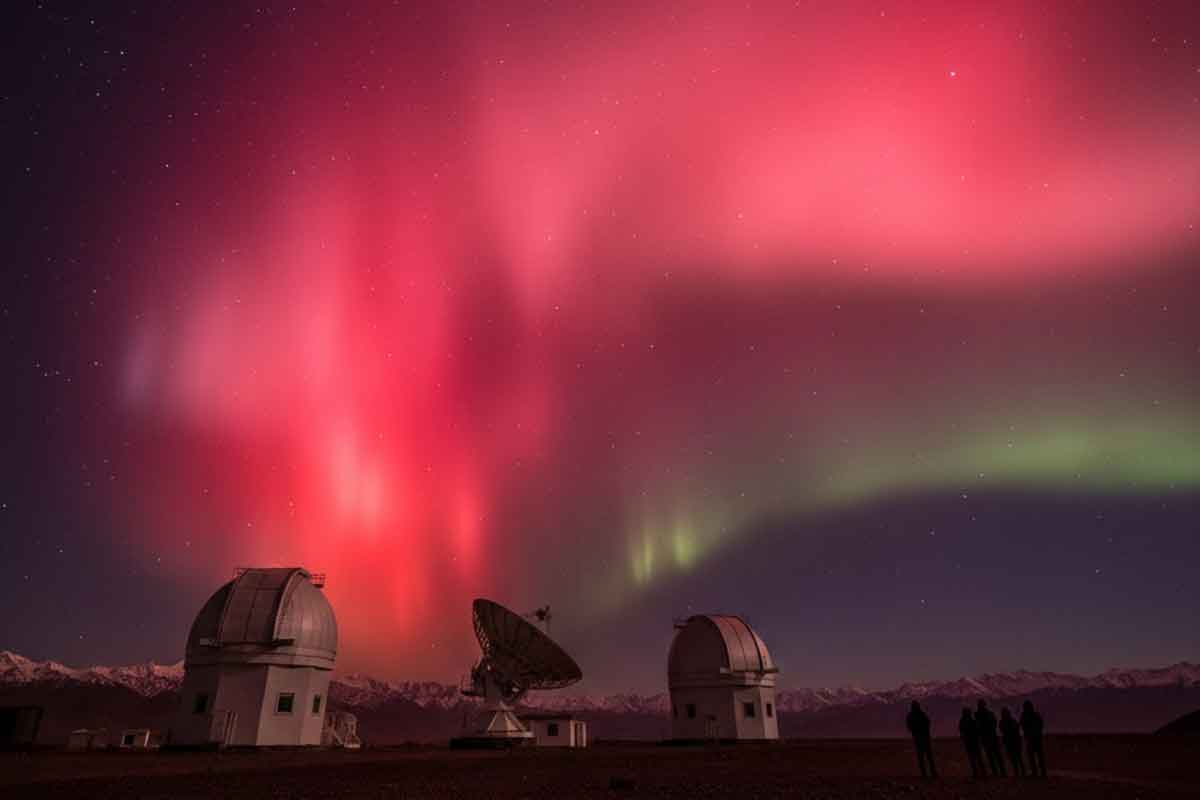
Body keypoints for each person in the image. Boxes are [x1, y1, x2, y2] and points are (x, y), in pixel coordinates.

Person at [905, 701, 937, 779]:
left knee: (922, 758)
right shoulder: (921, 714)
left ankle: (925, 774)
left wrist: (915, 731)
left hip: (918, 739)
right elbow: (928, 723)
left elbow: (909, 727)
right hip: (924, 738)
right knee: (928, 757)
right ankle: (932, 773)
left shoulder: (911, 716)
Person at [975, 700, 1006, 777]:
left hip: (989, 738)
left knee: (994, 756)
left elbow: (992, 724)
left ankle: (999, 772)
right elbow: (994, 723)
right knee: (995, 756)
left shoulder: (980, 715)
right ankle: (1000, 772)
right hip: (990, 737)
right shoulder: (984, 714)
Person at [1021, 700, 1048, 778]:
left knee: (1034, 757)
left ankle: (1037, 772)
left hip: (1033, 739)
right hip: (1035, 738)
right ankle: (1041, 772)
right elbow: (1040, 725)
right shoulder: (1034, 715)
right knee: (1038, 757)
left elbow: (1023, 725)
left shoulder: (1027, 715)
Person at [958, 707, 986, 779]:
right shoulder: (970, 721)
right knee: (975, 759)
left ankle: (980, 773)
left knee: (975, 759)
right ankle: (979, 773)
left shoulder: (968, 721)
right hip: (971, 742)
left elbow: (962, 730)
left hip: (972, 742)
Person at [999, 707, 1026, 777]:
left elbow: (1015, 730)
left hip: (1014, 742)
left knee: (1017, 758)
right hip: (1010, 743)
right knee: (1014, 759)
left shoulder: (1010, 721)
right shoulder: (1005, 722)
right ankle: (1018, 772)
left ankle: (1021, 772)